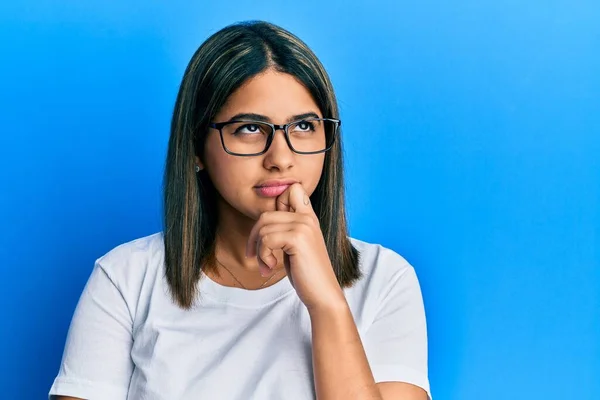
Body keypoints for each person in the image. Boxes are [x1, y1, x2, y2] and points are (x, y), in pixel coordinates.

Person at [49, 20, 431, 400]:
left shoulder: (385, 279)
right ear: (197, 148)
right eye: (249, 128)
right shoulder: (126, 278)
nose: (281, 158)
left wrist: (328, 305)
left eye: (303, 126)